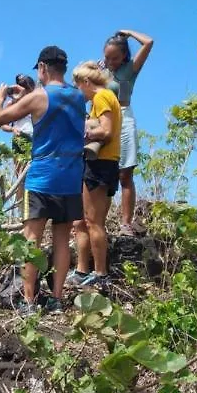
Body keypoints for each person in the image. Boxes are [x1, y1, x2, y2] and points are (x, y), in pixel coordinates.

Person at [0, 46, 85, 316]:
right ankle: (55, 299)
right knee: (62, 239)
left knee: (31, 239)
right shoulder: (79, 97)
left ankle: (29, 302)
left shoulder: (39, 97)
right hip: (70, 177)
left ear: (42, 67)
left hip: (43, 178)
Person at [67, 62, 122, 290]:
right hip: (100, 164)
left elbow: (107, 131)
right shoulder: (106, 98)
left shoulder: (102, 97)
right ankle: (82, 270)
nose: (79, 93)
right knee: (80, 221)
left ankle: (100, 274)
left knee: (93, 222)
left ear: (86, 83)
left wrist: (84, 132)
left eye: (78, 86)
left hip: (101, 165)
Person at [102, 29, 154, 235]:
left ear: (124, 55)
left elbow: (149, 42)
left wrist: (128, 33)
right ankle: (98, 222)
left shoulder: (130, 69)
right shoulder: (101, 72)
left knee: (124, 174)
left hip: (124, 118)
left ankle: (126, 223)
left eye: (114, 57)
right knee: (104, 175)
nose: (110, 61)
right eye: (107, 56)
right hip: (105, 120)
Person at [0, 74, 36, 180]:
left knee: (36, 173)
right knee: (21, 175)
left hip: (37, 138)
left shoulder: (37, 101)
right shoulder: (13, 104)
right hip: (21, 137)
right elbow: (2, 124)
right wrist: (12, 129)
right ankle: (20, 196)